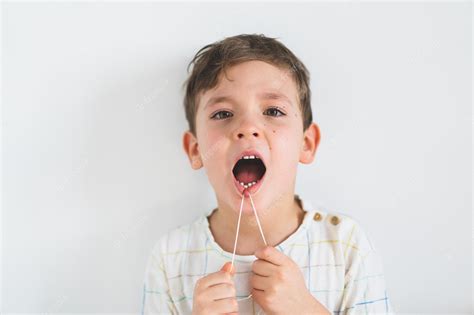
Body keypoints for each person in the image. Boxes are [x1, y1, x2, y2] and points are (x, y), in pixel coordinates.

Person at [141, 33, 395, 315]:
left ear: (306, 144)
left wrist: (305, 310)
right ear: (196, 150)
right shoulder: (171, 257)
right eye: (223, 114)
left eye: (273, 110)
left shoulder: (346, 245)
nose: (248, 127)